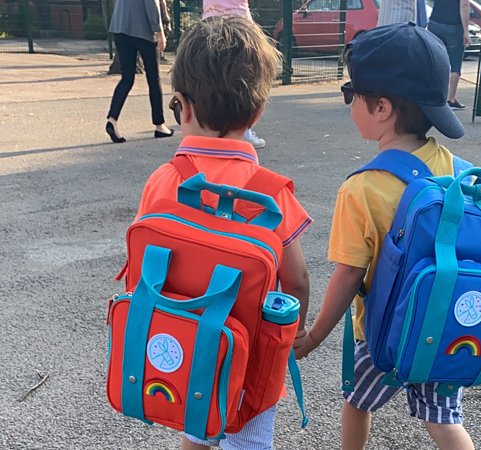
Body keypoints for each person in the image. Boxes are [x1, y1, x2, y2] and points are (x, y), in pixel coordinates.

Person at [132, 15, 312, 450]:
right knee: (248, 439)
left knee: (197, 430)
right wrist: (295, 335)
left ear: (182, 106)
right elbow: (297, 280)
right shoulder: (271, 193)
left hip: (184, 348)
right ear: (258, 112)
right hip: (250, 359)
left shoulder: (164, 180)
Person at [293, 23, 475, 450]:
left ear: (381, 108)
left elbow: (349, 274)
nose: (348, 101)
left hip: (385, 335)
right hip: (446, 325)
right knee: (444, 422)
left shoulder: (362, 188)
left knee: (357, 402)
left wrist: (315, 335)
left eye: (350, 92)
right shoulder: (455, 168)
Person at [202, 0, 267, 149]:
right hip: (239, 23)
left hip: (210, 22)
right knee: (243, 79)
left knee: (212, 79)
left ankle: (211, 131)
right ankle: (243, 133)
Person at [106, 0, 174, 143]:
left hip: (120, 27)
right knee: (153, 78)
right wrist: (159, 31)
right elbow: (151, 3)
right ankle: (159, 125)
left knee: (126, 78)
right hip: (142, 29)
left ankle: (112, 119)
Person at [427, 0, 471, 110]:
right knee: (455, 64)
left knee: (434, 60)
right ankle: (450, 99)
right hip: (453, 25)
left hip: (435, 22)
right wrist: (466, 30)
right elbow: (464, 5)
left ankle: (431, 95)